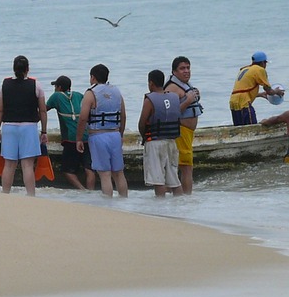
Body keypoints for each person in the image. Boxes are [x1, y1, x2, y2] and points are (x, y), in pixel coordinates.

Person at [0, 55, 47, 196]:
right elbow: (42, 110)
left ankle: (5, 194)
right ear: (27, 69)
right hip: (29, 127)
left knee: (9, 164)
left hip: (9, 127)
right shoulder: (36, 85)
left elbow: (0, 110)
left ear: (14, 69)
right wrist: (44, 131)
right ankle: (30, 195)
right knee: (27, 165)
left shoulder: (4, 85)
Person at [76, 63, 128, 198]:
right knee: (119, 173)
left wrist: (79, 138)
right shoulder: (116, 91)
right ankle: (125, 202)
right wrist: (120, 134)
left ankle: (108, 204)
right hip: (115, 134)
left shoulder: (90, 93)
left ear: (92, 77)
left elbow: (82, 118)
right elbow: (123, 115)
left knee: (105, 174)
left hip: (98, 136)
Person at [138, 69, 183, 198]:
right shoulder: (174, 97)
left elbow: (142, 123)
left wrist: (144, 137)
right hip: (171, 141)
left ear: (151, 83)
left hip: (155, 142)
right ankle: (180, 205)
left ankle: (160, 209)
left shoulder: (150, 100)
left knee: (158, 180)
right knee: (174, 180)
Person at [164, 56, 203, 195]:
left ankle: (179, 199)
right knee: (185, 168)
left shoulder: (185, 84)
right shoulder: (172, 87)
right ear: (174, 72)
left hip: (187, 133)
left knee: (180, 167)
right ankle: (184, 199)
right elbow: (168, 113)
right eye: (182, 68)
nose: (186, 71)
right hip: (179, 132)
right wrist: (188, 101)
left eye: (188, 68)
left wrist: (195, 96)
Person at [46, 75, 93, 190]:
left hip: (70, 139)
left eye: (55, 86)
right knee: (89, 169)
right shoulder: (78, 95)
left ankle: (83, 191)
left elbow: (43, 109)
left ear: (59, 87)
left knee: (67, 171)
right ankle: (91, 193)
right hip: (86, 136)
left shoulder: (56, 96)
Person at [229, 51, 282, 126]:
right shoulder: (259, 69)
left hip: (233, 101)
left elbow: (242, 90)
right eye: (265, 63)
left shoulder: (245, 69)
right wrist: (277, 91)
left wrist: (260, 94)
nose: (265, 66)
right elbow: (269, 91)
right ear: (263, 63)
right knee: (251, 126)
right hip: (243, 102)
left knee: (239, 127)